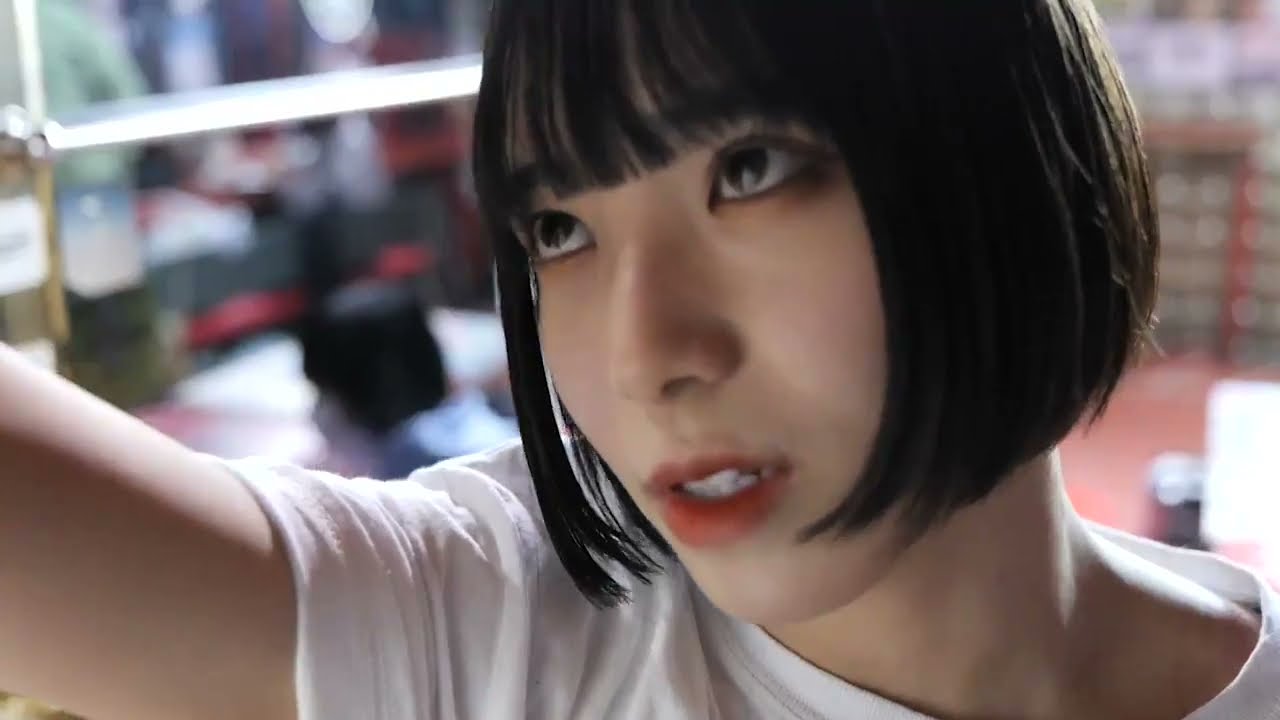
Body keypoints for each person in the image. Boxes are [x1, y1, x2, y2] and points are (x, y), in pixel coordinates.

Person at [1, 1, 1276, 719]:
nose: (643, 355)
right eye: (559, 231)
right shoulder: (498, 641)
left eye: (749, 170)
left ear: (1005, 153)